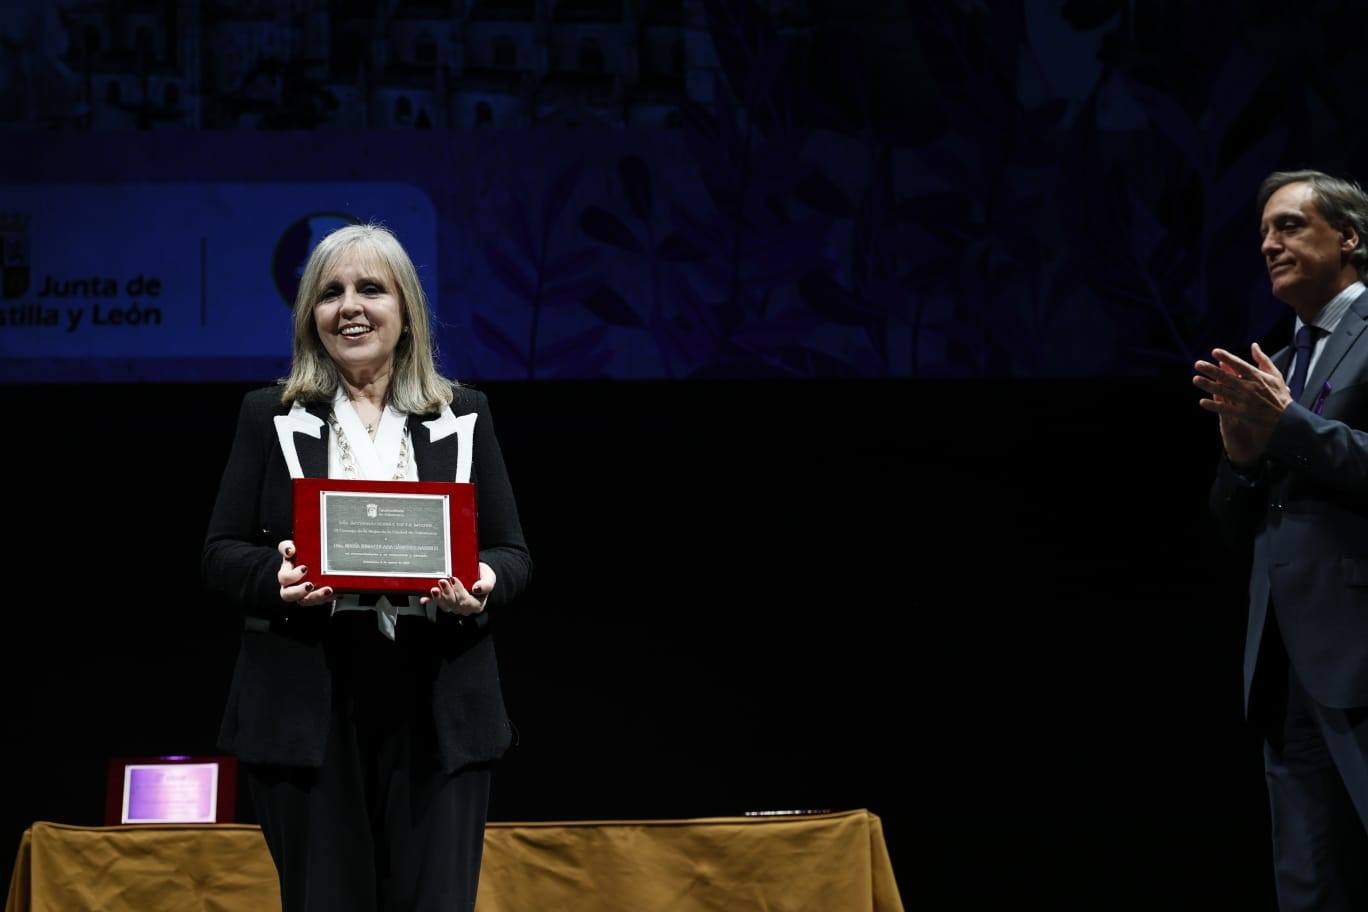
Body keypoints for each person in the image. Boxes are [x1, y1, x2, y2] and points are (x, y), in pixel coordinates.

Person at [203, 223, 531, 911]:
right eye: (329, 293)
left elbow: (511, 552)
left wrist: (483, 584)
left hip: (437, 699)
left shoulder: (463, 413)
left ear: (405, 308)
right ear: (309, 317)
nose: (349, 306)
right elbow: (222, 552)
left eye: (370, 289)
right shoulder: (269, 414)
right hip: (308, 706)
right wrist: (277, 578)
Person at [1198, 170, 1368, 910]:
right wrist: (1240, 458)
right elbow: (1239, 525)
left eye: (1291, 225)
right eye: (1264, 232)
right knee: (1307, 883)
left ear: (1350, 238)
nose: (1270, 243)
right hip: (1281, 663)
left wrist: (1287, 427)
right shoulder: (1281, 360)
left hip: (1361, 652)